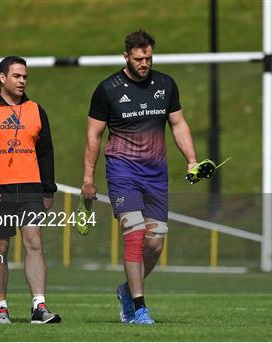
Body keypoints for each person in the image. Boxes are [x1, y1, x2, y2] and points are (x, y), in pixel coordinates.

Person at [81, 30, 199, 325]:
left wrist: (192, 161)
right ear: (126, 57)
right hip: (122, 171)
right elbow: (94, 136)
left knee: (155, 244)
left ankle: (126, 290)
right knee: (133, 233)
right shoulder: (107, 89)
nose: (144, 63)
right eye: (138, 58)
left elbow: (178, 124)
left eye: (148, 57)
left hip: (155, 175)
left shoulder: (165, 84)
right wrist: (88, 179)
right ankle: (139, 307)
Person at [0, 56, 61, 325]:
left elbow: (46, 152)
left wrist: (48, 189)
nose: (22, 81)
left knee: (34, 243)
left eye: (25, 77)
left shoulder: (36, 110)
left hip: (30, 187)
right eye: (17, 76)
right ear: (2, 77)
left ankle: (39, 308)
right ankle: (0, 309)